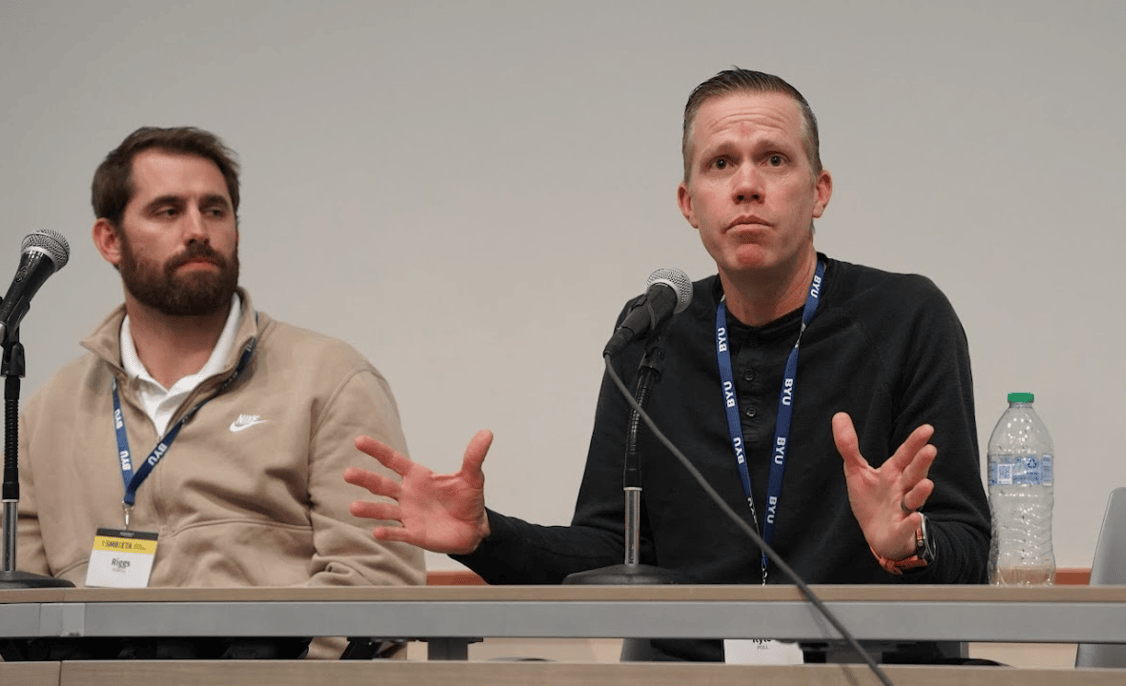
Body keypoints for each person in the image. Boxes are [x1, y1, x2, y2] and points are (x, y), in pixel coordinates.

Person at [344, 69, 991, 661]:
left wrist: (909, 544)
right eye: (720, 163)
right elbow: (609, 552)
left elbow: (966, 541)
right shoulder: (652, 334)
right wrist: (485, 536)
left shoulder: (907, 318)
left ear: (819, 192)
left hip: (862, 669)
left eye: (774, 159)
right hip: (691, 676)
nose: (746, 184)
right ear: (689, 203)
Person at [13, 126, 424, 659]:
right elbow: (23, 614)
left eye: (214, 210)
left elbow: (377, 582)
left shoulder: (330, 379)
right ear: (109, 240)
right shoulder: (46, 415)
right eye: (167, 211)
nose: (197, 231)